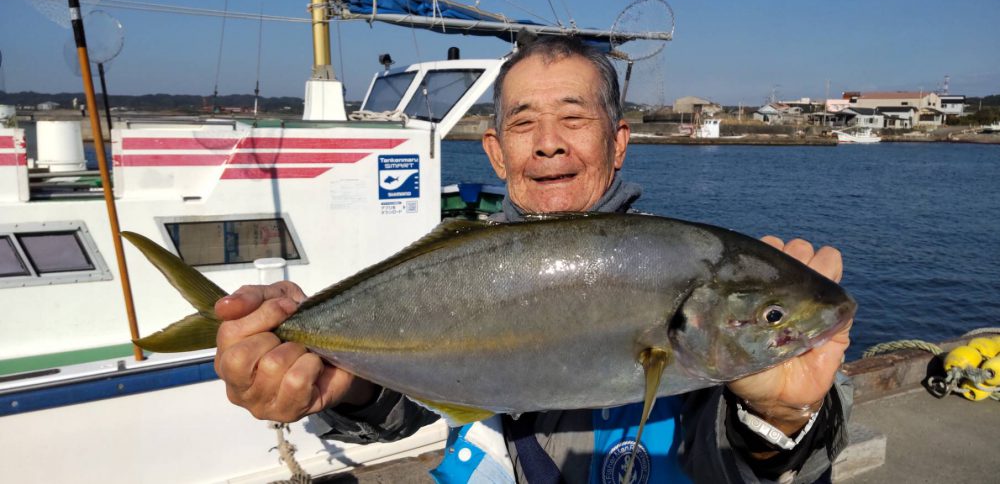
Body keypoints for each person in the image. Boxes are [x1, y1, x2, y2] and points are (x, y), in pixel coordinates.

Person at [213, 36, 852, 483]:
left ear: (618, 141)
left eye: (573, 119)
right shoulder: (456, 272)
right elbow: (397, 408)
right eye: (524, 124)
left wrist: (780, 413)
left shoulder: (688, 267)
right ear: (495, 152)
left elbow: (777, 460)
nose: (548, 145)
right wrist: (336, 384)